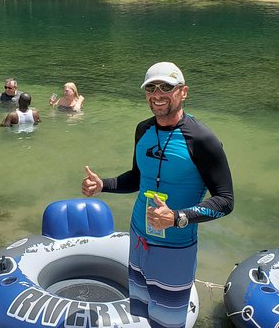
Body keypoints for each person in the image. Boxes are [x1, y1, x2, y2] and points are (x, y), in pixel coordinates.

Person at [81, 61, 234, 328]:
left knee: (169, 322)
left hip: (175, 249)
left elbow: (225, 201)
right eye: (151, 87)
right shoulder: (143, 130)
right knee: (143, 313)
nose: (157, 94)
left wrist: (177, 217)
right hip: (139, 237)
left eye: (166, 87)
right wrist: (103, 185)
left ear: (183, 92)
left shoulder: (201, 140)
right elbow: (138, 178)